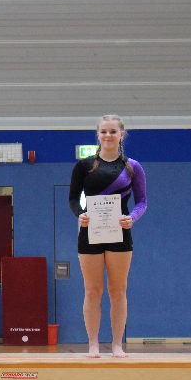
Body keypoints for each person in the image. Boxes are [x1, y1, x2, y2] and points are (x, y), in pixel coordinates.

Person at [68, 115, 147, 358]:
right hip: (90, 233)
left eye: (113, 131)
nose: (108, 135)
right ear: (98, 135)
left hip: (120, 233)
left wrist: (132, 218)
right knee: (92, 290)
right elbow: (73, 199)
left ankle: (116, 345)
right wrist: (80, 215)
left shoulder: (132, 167)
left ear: (121, 135)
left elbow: (142, 202)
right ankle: (93, 344)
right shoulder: (84, 166)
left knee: (118, 290)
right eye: (104, 131)